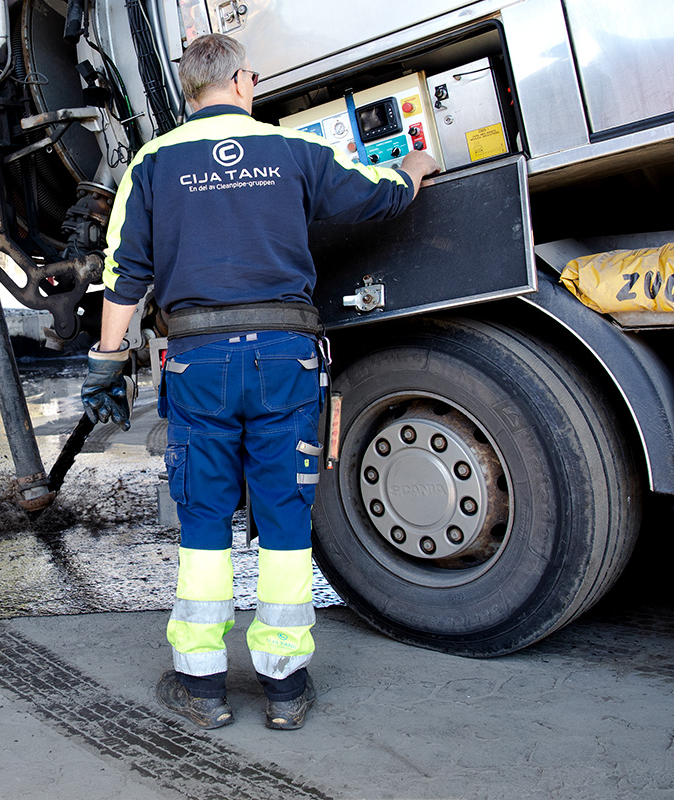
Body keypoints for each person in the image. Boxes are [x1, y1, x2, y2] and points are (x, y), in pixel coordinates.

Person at [81, 33, 439, 731]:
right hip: (284, 357)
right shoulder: (294, 151)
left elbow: (124, 273)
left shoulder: (152, 164)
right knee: (283, 517)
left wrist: (105, 361)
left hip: (198, 362)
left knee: (205, 518)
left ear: (189, 88)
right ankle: (284, 689)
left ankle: (203, 686)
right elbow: (377, 196)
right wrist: (417, 163)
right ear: (244, 81)